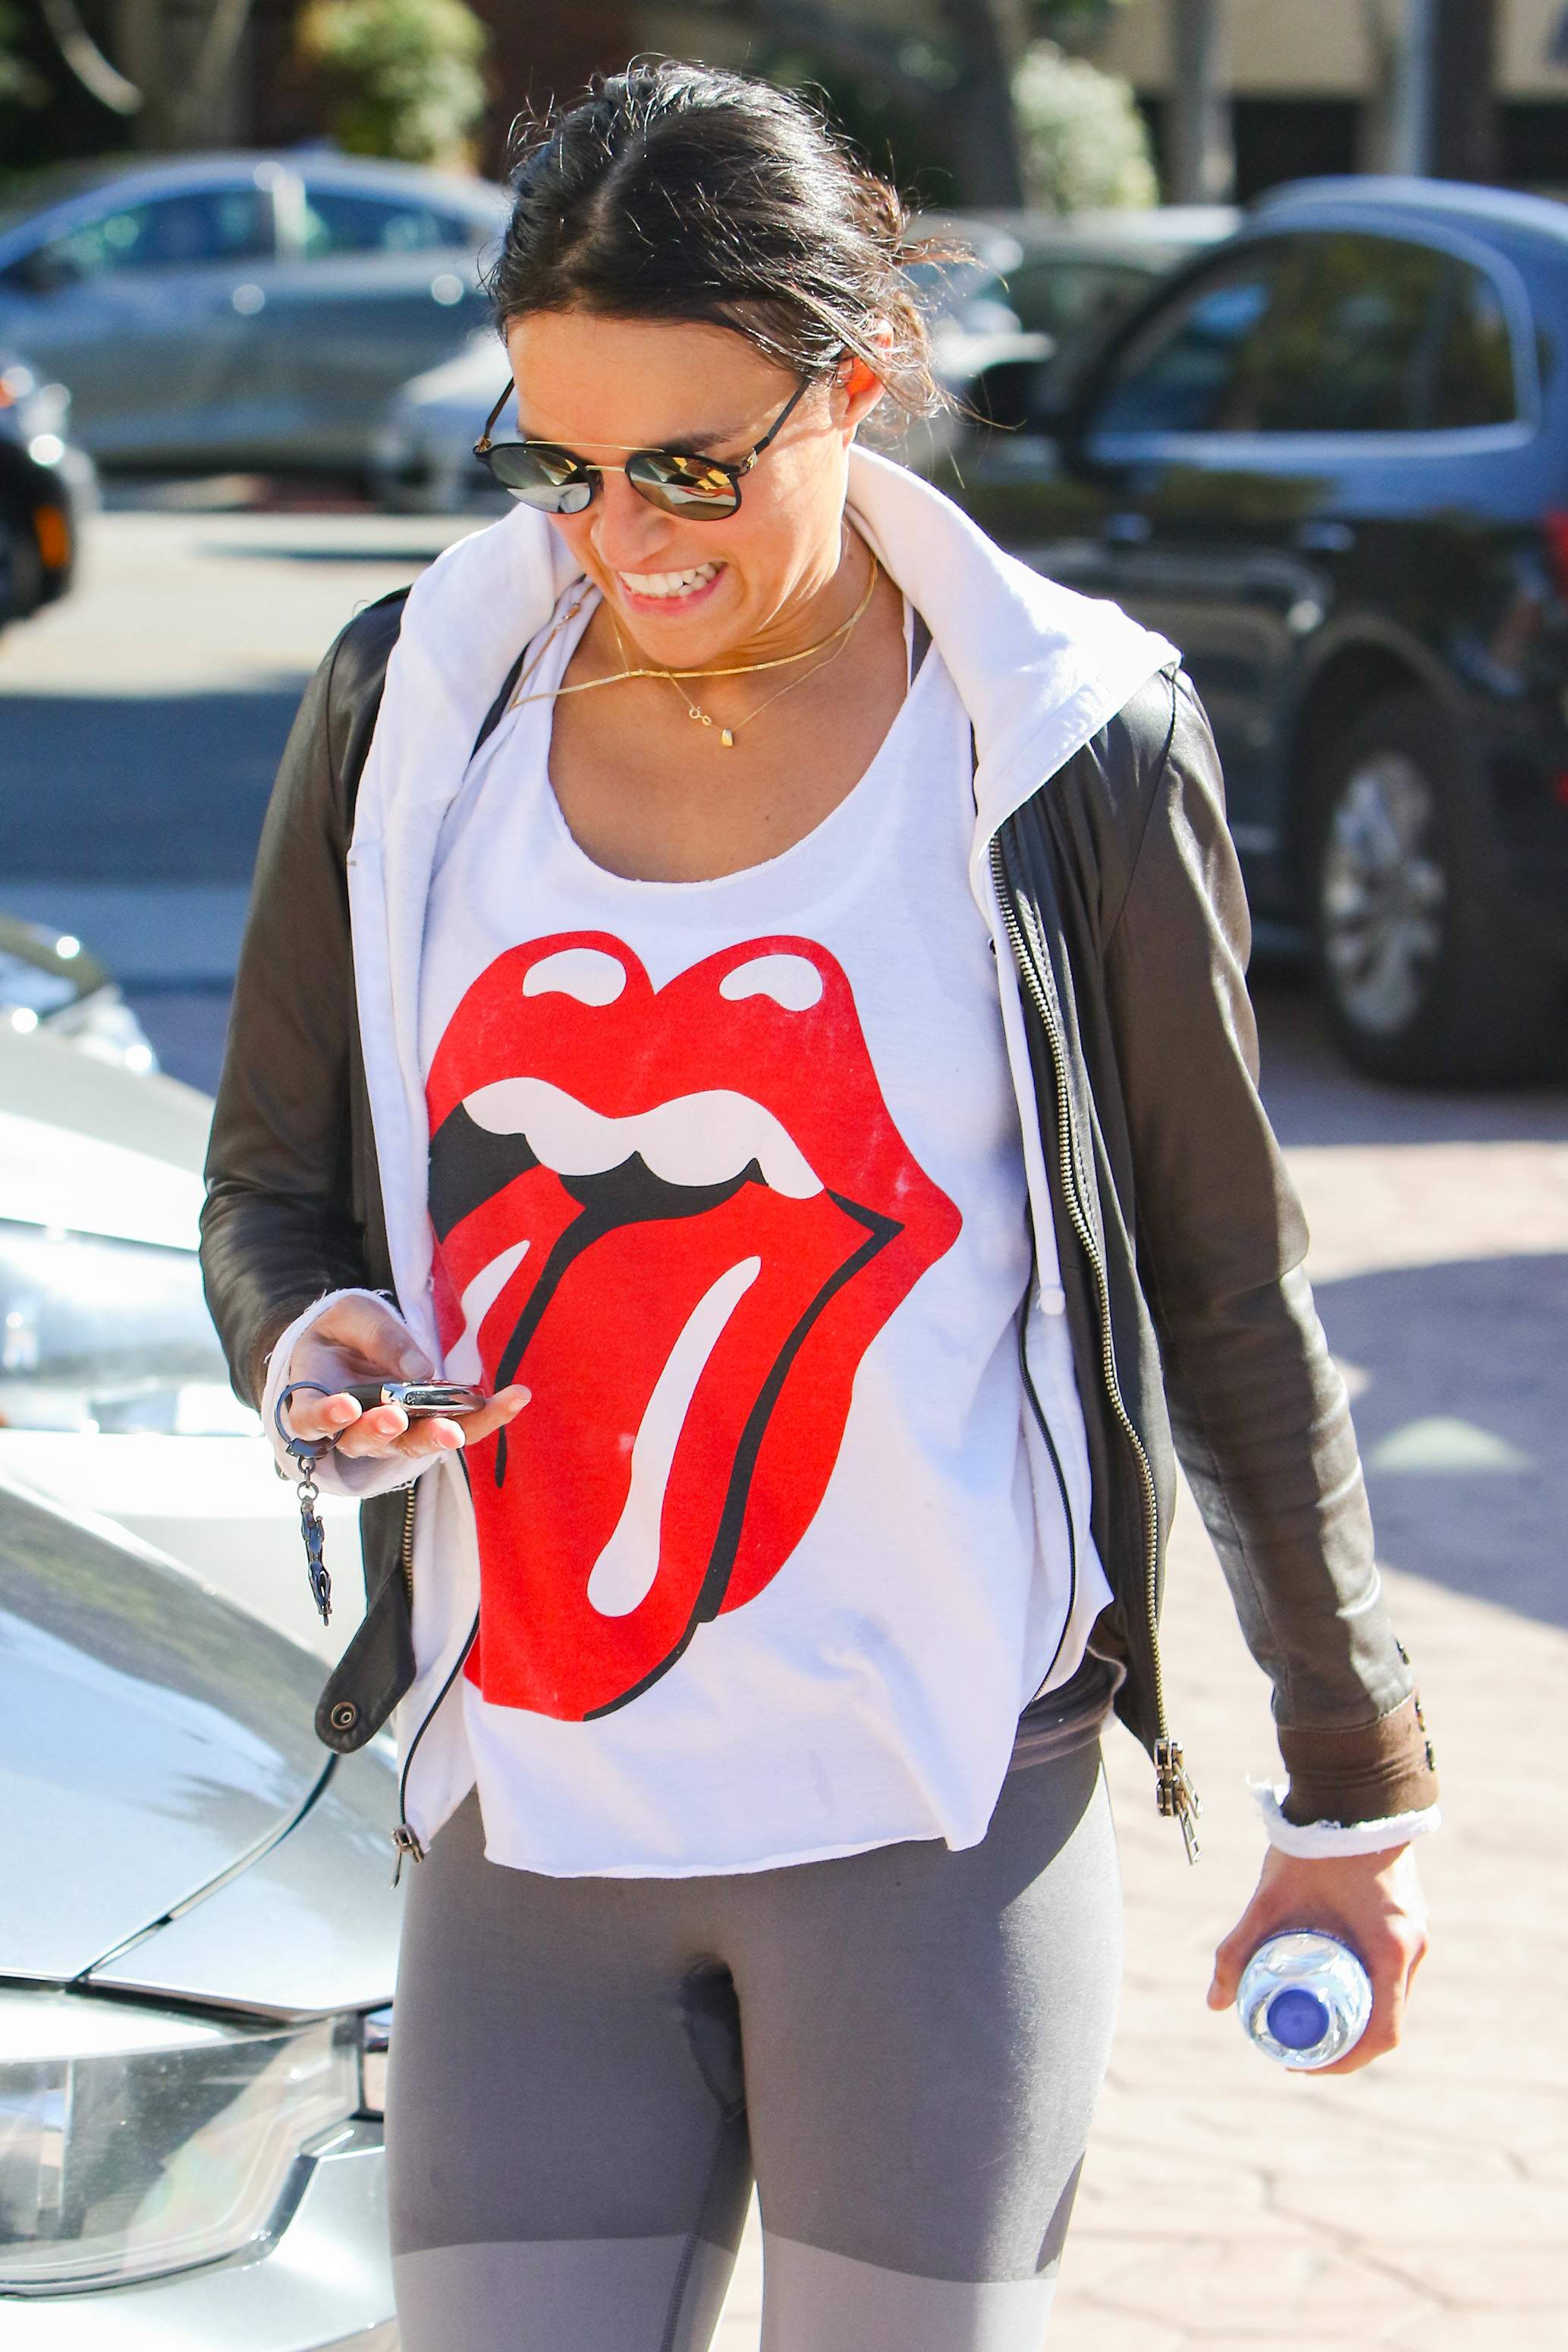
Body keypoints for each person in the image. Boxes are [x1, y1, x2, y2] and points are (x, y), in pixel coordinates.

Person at [200, 61, 1436, 2352]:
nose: (622, 538)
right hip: (531, 1819)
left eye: (693, 466)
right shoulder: (415, 707)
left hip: (936, 1823)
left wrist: (1348, 1788)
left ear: (857, 383)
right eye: (559, 466)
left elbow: (1221, 1286)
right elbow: (273, 1181)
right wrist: (315, 1342)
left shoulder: (1062, 741)